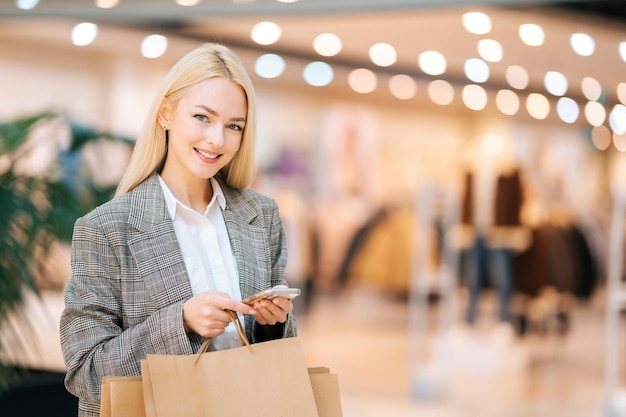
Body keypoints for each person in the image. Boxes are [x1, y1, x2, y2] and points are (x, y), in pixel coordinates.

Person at [59, 43, 297, 417]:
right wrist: (181, 323)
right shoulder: (105, 229)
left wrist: (273, 323)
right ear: (166, 113)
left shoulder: (260, 214)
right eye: (202, 117)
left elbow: (275, 351)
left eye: (234, 126)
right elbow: (86, 372)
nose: (217, 139)